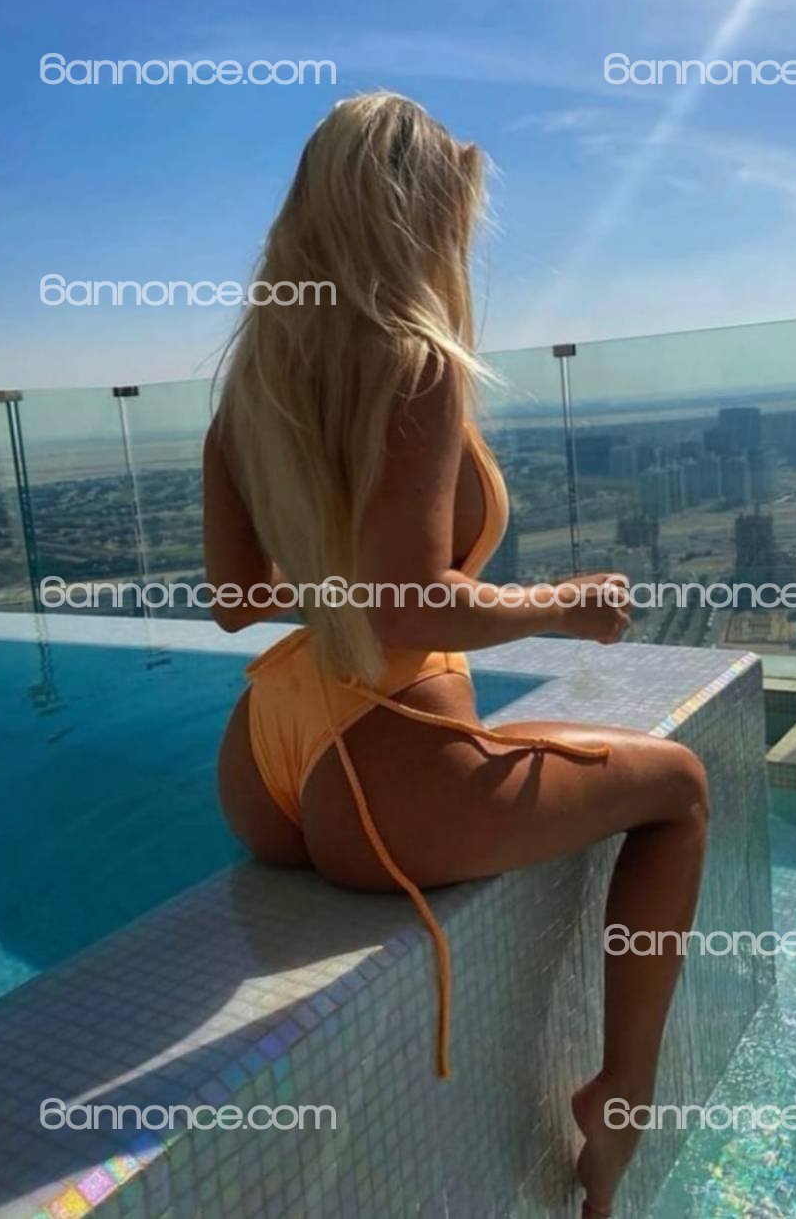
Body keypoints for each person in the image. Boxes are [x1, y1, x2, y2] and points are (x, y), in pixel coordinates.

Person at [203, 91, 709, 1218]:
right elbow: (411, 608)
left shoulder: (252, 382)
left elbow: (236, 602)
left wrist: (345, 583)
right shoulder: (416, 362)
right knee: (679, 789)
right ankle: (622, 1095)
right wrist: (560, 606)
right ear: (423, 215)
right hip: (388, 765)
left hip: (266, 761)